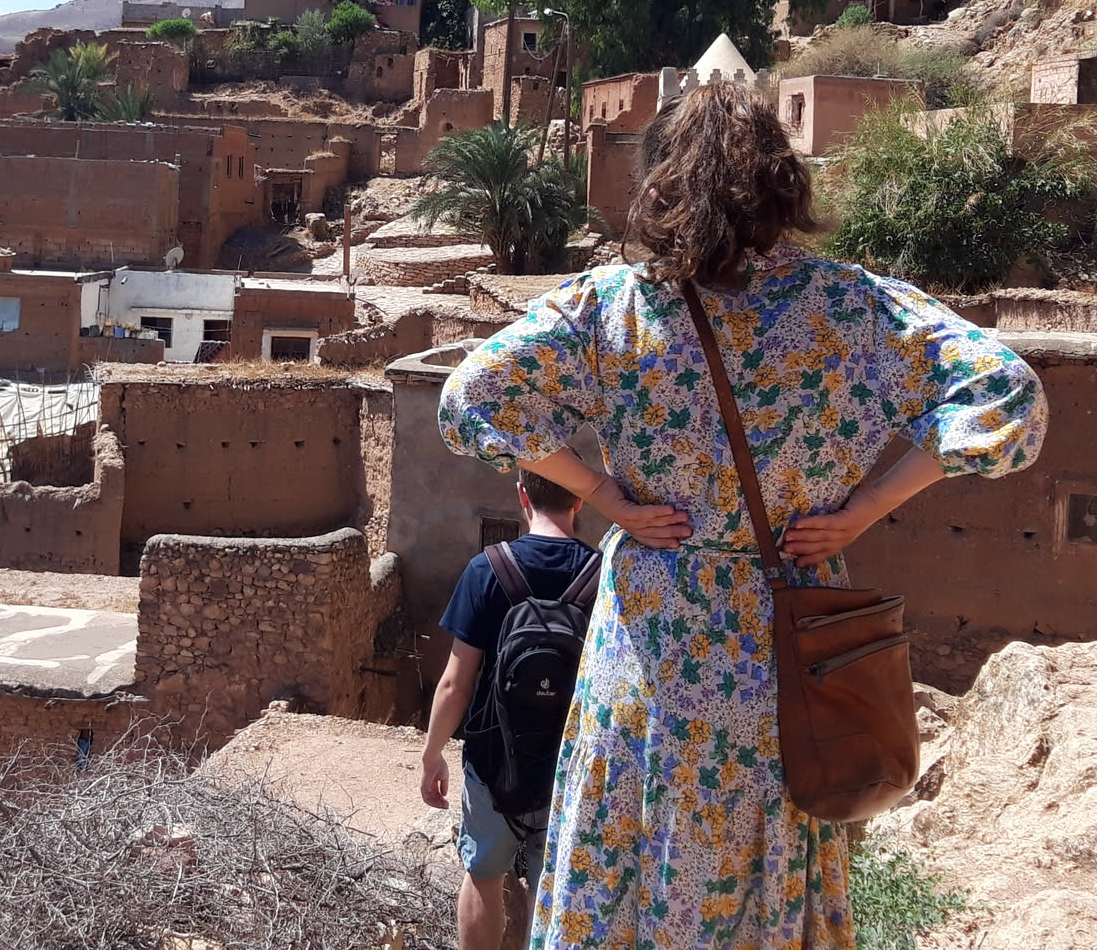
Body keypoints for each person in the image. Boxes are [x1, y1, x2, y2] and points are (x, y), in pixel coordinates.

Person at [437, 81, 1048, 950]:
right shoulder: (853, 307)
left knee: (634, 842)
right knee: (764, 847)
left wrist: (606, 496)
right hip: (788, 640)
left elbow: (471, 400)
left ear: (660, 185)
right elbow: (1010, 397)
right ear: (781, 182)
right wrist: (866, 507)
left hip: (654, 638)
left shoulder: (613, 307)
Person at [418, 469, 597, 950]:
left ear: (522, 494)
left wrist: (432, 754)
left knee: (483, 874)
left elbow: (455, 683)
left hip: (494, 760)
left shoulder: (487, 568)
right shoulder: (603, 574)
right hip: (570, 765)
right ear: (579, 500)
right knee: (552, 885)